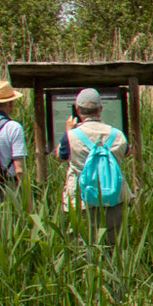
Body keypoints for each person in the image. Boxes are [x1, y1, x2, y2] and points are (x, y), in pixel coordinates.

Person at [56, 88, 132, 243]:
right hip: (113, 198)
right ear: (101, 109)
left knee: (83, 247)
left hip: (81, 199)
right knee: (114, 246)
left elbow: (61, 156)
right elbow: (128, 152)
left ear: (77, 110)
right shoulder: (117, 134)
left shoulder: (71, 136)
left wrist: (68, 130)